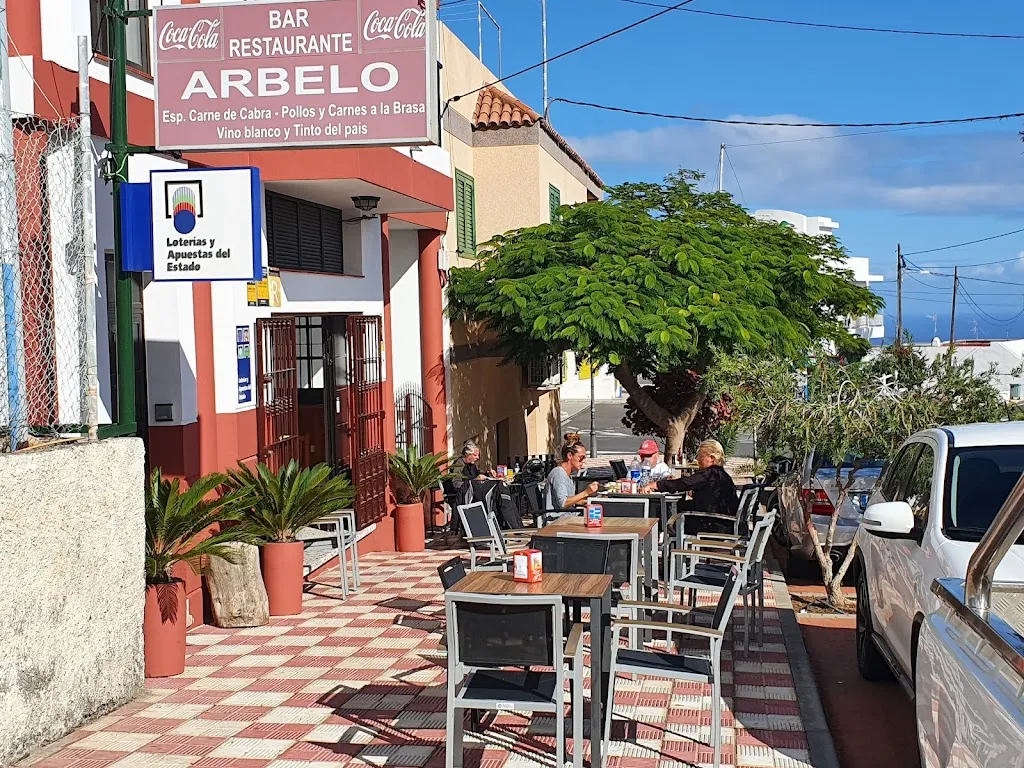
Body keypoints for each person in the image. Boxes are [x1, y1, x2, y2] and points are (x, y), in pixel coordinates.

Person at [646, 439, 738, 535]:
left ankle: (659, 535)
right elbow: (705, 491)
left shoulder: (708, 474)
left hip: (712, 524)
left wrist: (655, 485)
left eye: (700, 456)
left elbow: (683, 483)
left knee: (667, 510)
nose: (697, 459)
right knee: (679, 505)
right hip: (722, 521)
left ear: (711, 458)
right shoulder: (720, 474)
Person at [544, 442, 600, 511]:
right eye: (581, 457)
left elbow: (570, 500)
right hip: (559, 517)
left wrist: (589, 500)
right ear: (570, 456)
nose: (584, 461)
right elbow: (563, 503)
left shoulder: (568, 475)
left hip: (569, 514)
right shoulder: (559, 474)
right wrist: (586, 492)